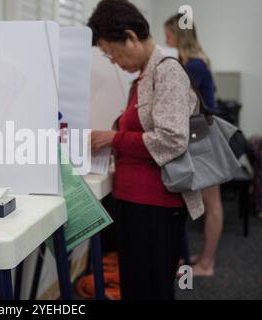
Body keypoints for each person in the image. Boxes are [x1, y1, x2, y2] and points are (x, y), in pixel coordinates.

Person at [88, 0, 204, 300]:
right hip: (134, 202)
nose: (113, 62)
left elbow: (172, 138)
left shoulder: (168, 74)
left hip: (155, 205)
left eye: (112, 52)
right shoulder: (144, 77)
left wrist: (112, 140)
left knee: (150, 289)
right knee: (137, 287)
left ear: (130, 36)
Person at [165, 14, 223, 277]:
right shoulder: (193, 63)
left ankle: (207, 264)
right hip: (202, 137)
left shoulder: (194, 66)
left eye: (169, 35)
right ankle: (203, 257)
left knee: (212, 204)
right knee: (209, 203)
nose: (166, 41)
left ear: (179, 36)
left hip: (205, 139)